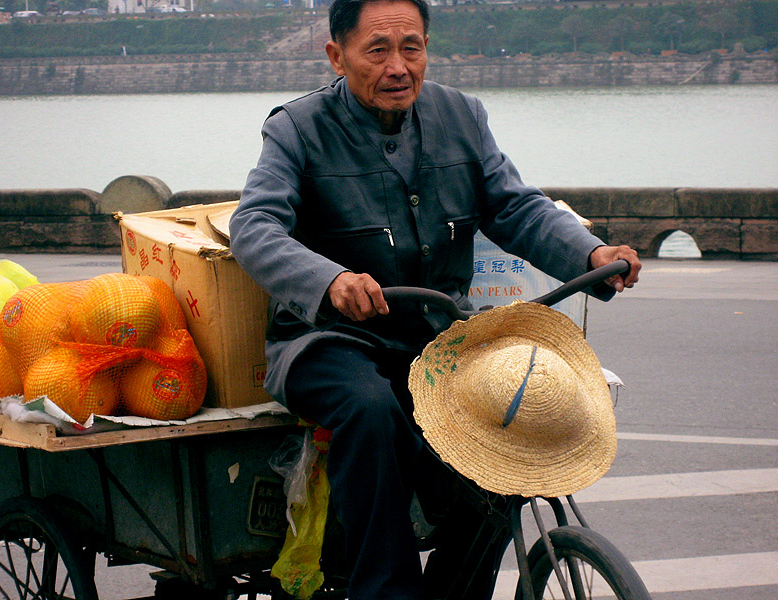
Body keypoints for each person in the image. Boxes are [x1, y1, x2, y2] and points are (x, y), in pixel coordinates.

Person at [229, 0, 641, 598]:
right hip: (327, 341)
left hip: (438, 337)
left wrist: (590, 255)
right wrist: (328, 281)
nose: (398, 67)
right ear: (336, 55)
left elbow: (515, 206)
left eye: (411, 48)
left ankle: (457, 586)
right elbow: (255, 227)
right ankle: (385, 590)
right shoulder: (296, 129)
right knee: (369, 408)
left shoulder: (463, 116)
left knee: (510, 421)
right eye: (377, 50)